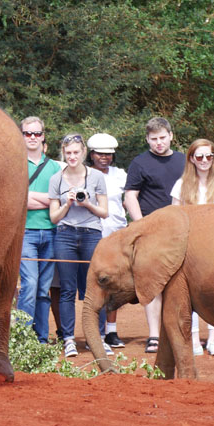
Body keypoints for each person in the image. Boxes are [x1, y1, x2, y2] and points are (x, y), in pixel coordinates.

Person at [123, 117, 185, 353]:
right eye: (154, 139)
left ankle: (177, 332)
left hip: (179, 230)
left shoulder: (183, 160)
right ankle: (154, 335)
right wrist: (141, 226)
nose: (159, 143)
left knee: (179, 283)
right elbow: (130, 197)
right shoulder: (140, 163)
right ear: (147, 139)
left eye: (162, 137)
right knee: (153, 284)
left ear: (170, 135)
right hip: (150, 231)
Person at [48, 133, 109, 358]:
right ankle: (69, 339)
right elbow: (54, 217)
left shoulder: (96, 177)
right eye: (68, 153)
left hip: (91, 233)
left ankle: (99, 339)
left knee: (95, 288)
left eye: (76, 152)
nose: (72, 156)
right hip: (65, 234)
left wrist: (87, 203)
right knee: (66, 289)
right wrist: (68, 204)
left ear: (83, 152)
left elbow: (104, 212)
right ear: (63, 153)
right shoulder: (56, 179)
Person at [170, 139, 214, 357]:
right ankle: (193, 340)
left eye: (209, 156)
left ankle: (212, 340)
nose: (204, 161)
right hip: (190, 245)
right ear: (191, 159)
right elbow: (174, 216)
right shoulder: (181, 184)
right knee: (190, 295)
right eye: (199, 157)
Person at [16, 117, 60, 343]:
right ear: (21, 136)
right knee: (30, 284)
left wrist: (31, 197)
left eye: (36, 133)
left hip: (51, 232)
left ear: (43, 136)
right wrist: (48, 199)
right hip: (25, 233)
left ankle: (41, 340)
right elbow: (16, 200)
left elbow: (60, 200)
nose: (32, 137)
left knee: (44, 289)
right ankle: (22, 338)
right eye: (27, 133)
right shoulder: (14, 164)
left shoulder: (55, 167)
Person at [86, 133, 127, 349]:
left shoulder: (120, 175)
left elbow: (128, 200)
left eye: (109, 155)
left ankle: (111, 331)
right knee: (96, 286)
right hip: (92, 234)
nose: (105, 158)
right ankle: (95, 331)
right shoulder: (85, 175)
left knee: (114, 285)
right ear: (91, 154)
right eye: (100, 154)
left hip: (117, 234)